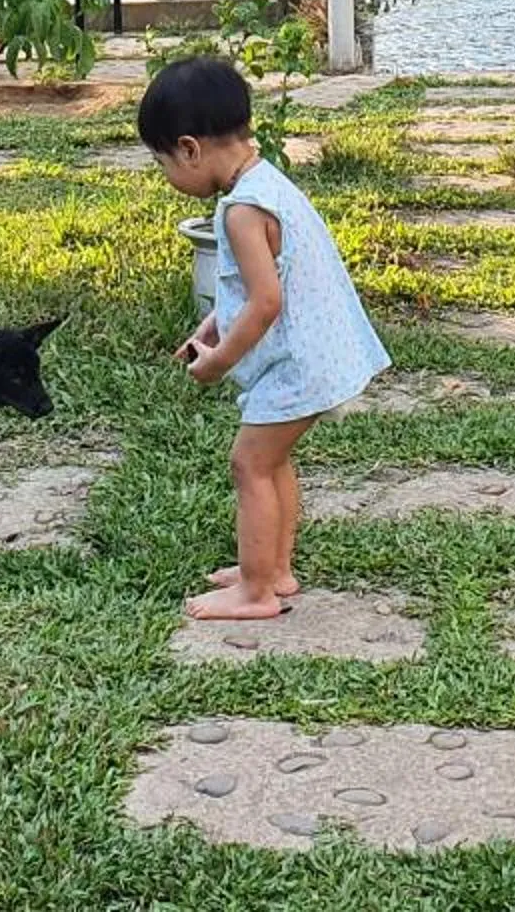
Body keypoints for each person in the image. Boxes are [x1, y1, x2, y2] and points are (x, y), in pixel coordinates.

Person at [140, 53, 388, 620]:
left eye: (162, 163)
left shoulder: (242, 212)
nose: (168, 177)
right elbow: (256, 287)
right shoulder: (266, 179)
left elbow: (267, 301)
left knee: (249, 463)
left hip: (297, 365)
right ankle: (274, 568)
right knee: (273, 461)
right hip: (317, 354)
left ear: (189, 149)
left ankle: (256, 592)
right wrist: (213, 324)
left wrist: (219, 361)